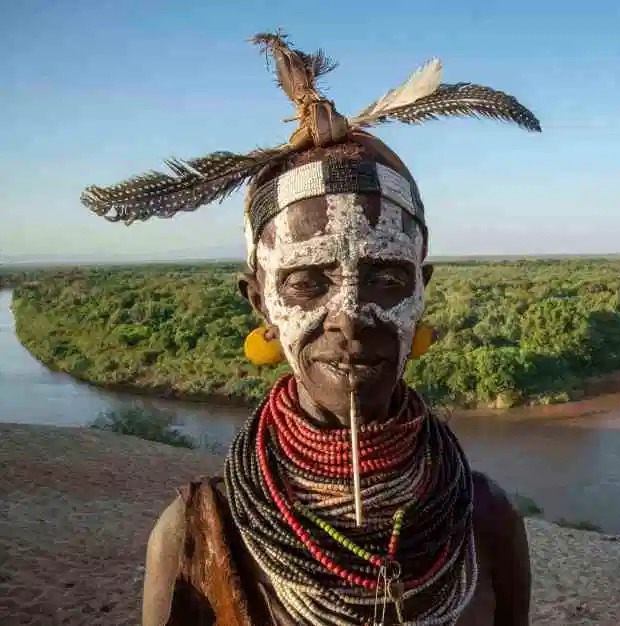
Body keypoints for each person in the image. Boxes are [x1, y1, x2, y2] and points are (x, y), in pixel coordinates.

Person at [80, 32, 541, 626]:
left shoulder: (484, 518)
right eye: (307, 282)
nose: (349, 314)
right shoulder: (198, 532)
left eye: (385, 278)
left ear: (422, 291)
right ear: (260, 303)